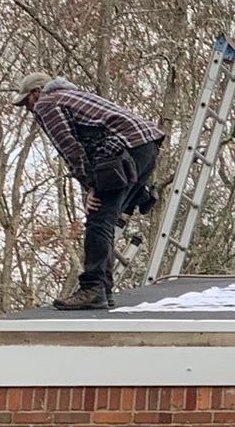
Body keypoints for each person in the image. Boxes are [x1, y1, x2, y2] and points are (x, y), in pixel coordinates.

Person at [14, 72, 168, 310]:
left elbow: (70, 148)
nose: (28, 109)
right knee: (109, 216)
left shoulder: (47, 103)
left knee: (99, 220)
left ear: (36, 92)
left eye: (27, 102)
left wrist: (91, 186)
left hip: (124, 149)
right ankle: (137, 195)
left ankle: (93, 288)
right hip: (146, 146)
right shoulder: (72, 95)